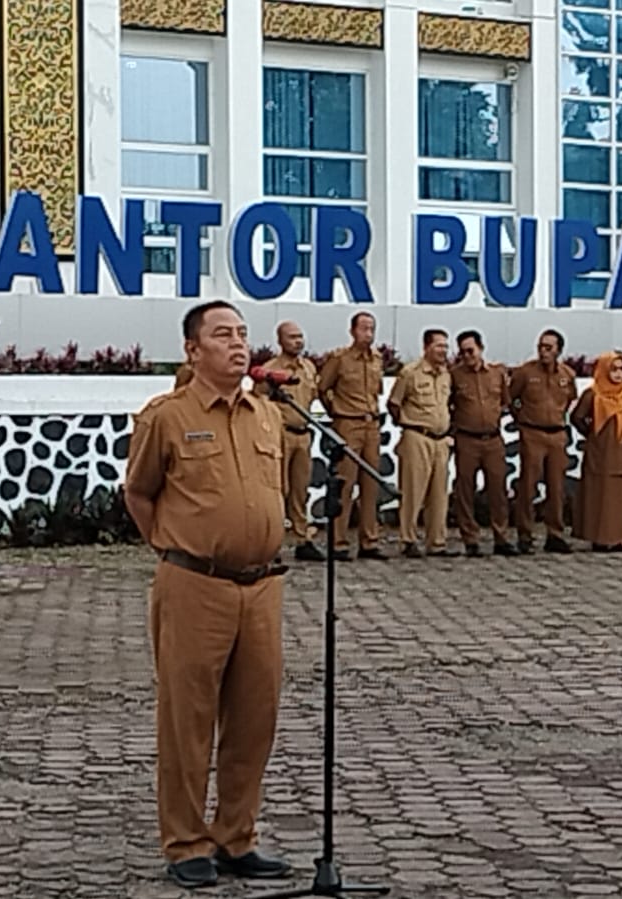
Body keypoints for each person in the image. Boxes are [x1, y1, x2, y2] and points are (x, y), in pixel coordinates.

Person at [124, 301, 292, 889]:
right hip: (195, 583)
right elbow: (140, 494)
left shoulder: (267, 415)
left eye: (243, 334)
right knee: (187, 720)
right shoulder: (166, 417)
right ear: (193, 350)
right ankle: (186, 842)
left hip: (263, 585)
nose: (238, 344)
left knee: (254, 718)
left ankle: (236, 836)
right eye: (223, 335)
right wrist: (175, 550)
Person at [317, 312, 386, 560]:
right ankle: (339, 542)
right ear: (353, 331)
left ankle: (369, 541)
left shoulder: (377, 359)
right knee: (345, 484)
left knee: (370, 485)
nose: (368, 333)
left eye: (372, 328)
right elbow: (323, 388)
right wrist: (336, 412)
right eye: (364, 328)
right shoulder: (340, 359)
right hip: (348, 424)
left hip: (372, 425)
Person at [253, 320, 322, 562]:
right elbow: (258, 404)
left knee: (300, 490)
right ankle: (273, 544)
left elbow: (313, 396)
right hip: (279, 434)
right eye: (292, 337)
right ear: (280, 341)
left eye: (300, 336)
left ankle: (303, 539)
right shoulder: (270, 370)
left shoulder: (309, 368)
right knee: (278, 490)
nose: (298, 341)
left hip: (303, 434)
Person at [509, 328, 578, 553]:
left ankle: (555, 534)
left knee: (556, 487)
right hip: (532, 432)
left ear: (558, 350)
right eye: (541, 346)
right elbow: (512, 399)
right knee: (528, 486)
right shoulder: (525, 373)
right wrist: (522, 419)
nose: (543, 351)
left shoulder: (567, 375)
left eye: (548, 348)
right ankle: (525, 534)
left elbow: (569, 401)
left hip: (556, 434)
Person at [449, 329, 517, 557]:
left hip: (493, 439)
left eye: (470, 351)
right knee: (465, 490)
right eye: (462, 352)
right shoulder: (454, 375)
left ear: (480, 348)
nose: (467, 356)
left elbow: (505, 402)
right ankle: (471, 538)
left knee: (498, 489)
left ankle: (501, 536)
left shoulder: (496, 374)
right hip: (467, 439)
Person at [388, 328, 453, 558]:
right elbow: (394, 403)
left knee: (439, 494)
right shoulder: (410, 373)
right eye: (439, 345)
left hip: (441, 439)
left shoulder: (446, 374)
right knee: (412, 491)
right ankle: (408, 539)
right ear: (426, 347)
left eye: (446, 346)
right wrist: (408, 425)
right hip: (417, 436)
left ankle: (437, 542)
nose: (443, 350)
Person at [569, 351, 622, 551]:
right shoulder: (593, 394)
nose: (618, 374)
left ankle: (621, 538)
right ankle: (600, 538)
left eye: (621, 369)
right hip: (601, 454)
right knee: (601, 495)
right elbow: (577, 417)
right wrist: (592, 435)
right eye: (613, 369)